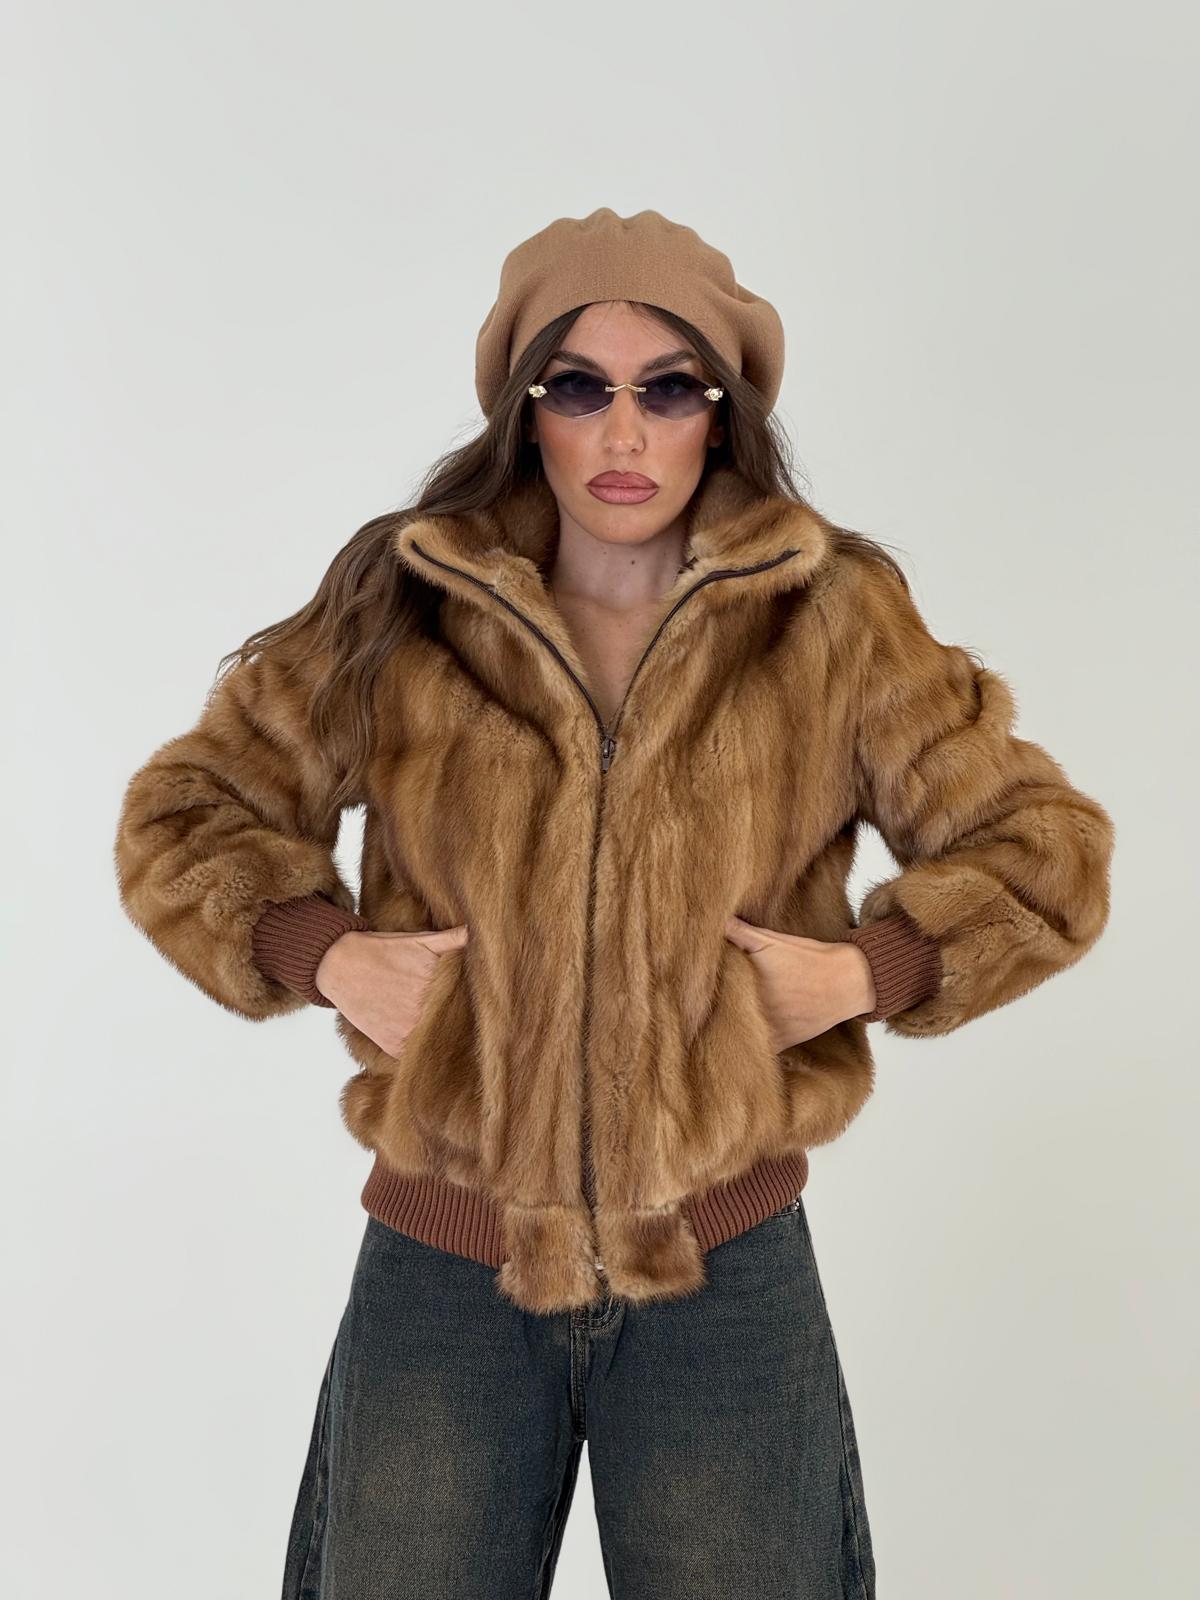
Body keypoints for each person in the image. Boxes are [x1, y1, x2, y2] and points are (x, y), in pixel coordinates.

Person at [112, 207, 1115, 1599]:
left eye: (669, 389)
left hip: (723, 1266)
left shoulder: (828, 617)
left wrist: (861, 974)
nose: (625, 432)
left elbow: (1045, 850)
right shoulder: (409, 607)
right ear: (528, 412)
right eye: (579, 388)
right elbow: (184, 815)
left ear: (723, 411)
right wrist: (326, 953)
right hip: (446, 1262)